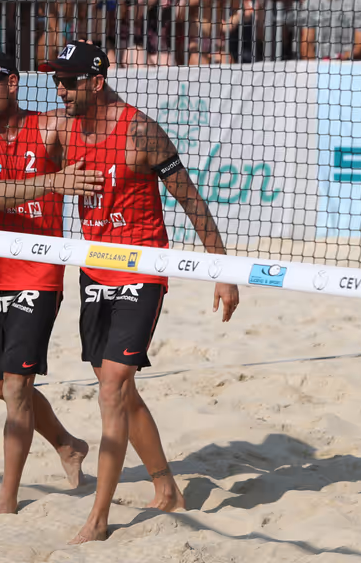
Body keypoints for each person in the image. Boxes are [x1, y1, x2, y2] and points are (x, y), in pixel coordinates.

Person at [36, 41, 240, 543]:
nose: (60, 89)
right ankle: (166, 487)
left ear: (96, 81)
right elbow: (17, 141)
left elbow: (191, 200)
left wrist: (223, 270)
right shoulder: (63, 127)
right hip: (94, 271)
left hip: (142, 270)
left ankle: (99, 518)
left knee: (112, 390)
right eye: (56, 80)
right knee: (121, 391)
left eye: (68, 81)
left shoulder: (140, 131)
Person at [0, 49, 103, 514]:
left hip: (39, 270)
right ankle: (68, 444)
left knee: (17, 387)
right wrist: (53, 182)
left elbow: (102, 124)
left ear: (11, 82)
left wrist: (89, 69)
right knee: (4, 388)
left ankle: (7, 498)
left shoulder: (51, 127)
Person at [297, 0, 361, 60]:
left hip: (349, 63)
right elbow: (306, 45)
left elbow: (359, 47)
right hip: (319, 61)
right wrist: (315, 67)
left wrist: (340, 61)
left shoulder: (360, 1)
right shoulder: (312, 2)